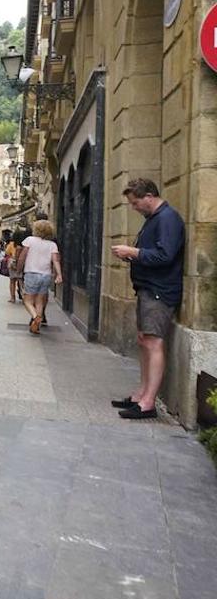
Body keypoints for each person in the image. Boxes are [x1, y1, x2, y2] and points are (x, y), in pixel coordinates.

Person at [110, 178, 185, 420]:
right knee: (145, 340)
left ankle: (148, 402)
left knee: (153, 343)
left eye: (135, 203)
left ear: (149, 196)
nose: (134, 208)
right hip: (148, 289)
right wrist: (134, 256)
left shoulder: (167, 218)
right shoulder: (156, 219)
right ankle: (141, 395)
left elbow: (166, 255)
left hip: (159, 291)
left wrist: (134, 252)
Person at [18, 219, 61, 334]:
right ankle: (37, 325)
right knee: (39, 301)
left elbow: (22, 256)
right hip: (46, 275)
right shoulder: (52, 244)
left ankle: (36, 317)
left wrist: (18, 269)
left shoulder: (29, 240)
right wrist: (59, 275)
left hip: (32, 273)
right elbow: (56, 260)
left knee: (27, 301)